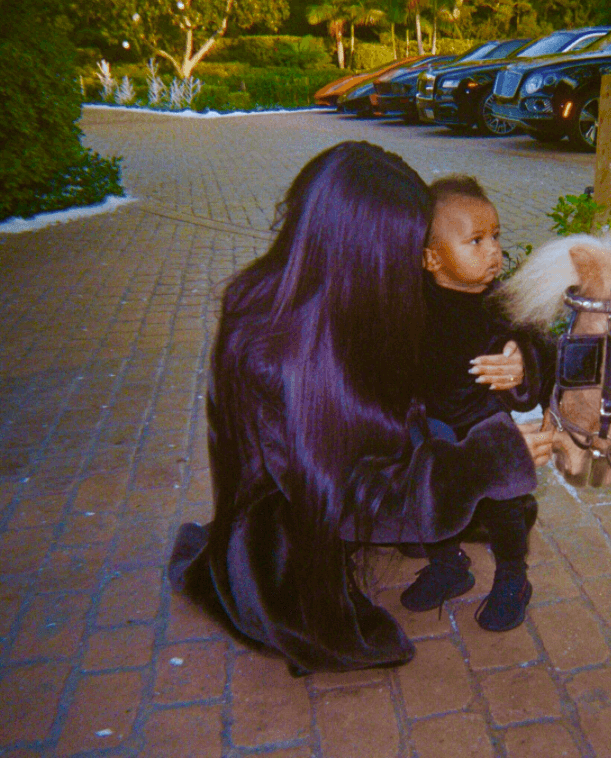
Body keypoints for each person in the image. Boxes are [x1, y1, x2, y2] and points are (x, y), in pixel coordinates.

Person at [168, 143, 551, 674]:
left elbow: (497, 329)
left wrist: (524, 361)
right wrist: (481, 461)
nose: (416, 265)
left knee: (471, 498)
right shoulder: (282, 355)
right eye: (406, 251)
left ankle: (468, 550)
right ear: (365, 255)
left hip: (368, 479)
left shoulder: (333, 294)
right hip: (295, 531)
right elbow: (347, 494)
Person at [400, 174, 555, 632]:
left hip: (490, 435)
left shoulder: (506, 305)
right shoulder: (411, 304)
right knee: (428, 497)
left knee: (505, 505)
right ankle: (449, 566)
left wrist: (525, 362)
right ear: (431, 258)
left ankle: (513, 577)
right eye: (475, 240)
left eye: (496, 237)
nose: (493, 251)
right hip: (431, 434)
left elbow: (545, 348)